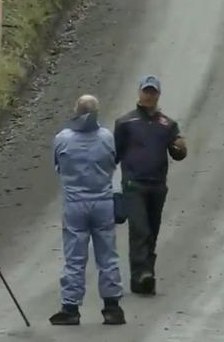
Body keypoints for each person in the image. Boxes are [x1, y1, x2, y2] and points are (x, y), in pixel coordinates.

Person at [50, 94, 126, 326]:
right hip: (103, 200)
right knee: (107, 256)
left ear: (76, 110)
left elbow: (57, 166)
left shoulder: (62, 139)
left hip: (75, 203)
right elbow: (113, 162)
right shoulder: (106, 137)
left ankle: (71, 307)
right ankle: (112, 306)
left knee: (74, 257)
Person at [114, 75, 187, 295]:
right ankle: (140, 272)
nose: (149, 95)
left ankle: (146, 276)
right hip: (133, 183)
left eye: (152, 92)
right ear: (139, 93)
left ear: (158, 94)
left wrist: (180, 149)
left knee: (152, 230)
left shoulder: (167, 124)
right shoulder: (125, 123)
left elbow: (179, 153)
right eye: (146, 91)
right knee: (140, 229)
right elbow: (114, 155)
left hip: (157, 184)